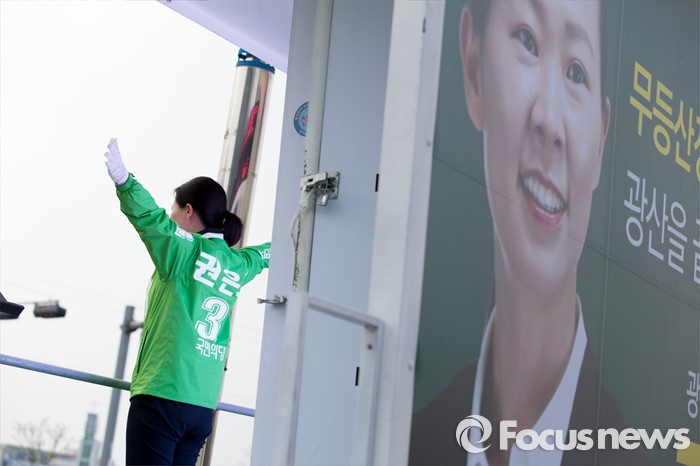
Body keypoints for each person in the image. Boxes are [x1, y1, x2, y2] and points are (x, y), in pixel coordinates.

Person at [409, 1, 650, 464]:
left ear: (601, 142)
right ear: (474, 68)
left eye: (576, 73)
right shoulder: (415, 442)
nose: (549, 122)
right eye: (528, 40)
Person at [102, 138, 271, 465]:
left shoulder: (184, 251)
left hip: (163, 393)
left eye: (175, 209)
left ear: (189, 211)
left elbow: (152, 219)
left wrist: (125, 181)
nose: (171, 215)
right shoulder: (237, 263)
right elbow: (265, 254)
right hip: (202, 406)